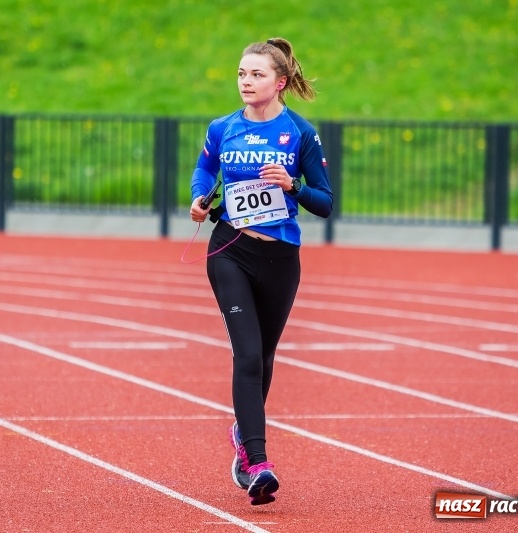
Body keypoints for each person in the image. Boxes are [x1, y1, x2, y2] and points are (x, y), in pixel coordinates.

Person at [189, 37, 333, 506]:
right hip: (229, 249)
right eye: (241, 74)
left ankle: (241, 434)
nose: (246, 82)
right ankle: (258, 462)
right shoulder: (221, 128)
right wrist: (198, 198)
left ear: (280, 82)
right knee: (247, 355)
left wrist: (292, 185)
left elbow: (326, 203)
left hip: (280, 259)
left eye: (256, 75)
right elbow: (204, 170)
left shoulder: (300, 134)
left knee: (265, 359)